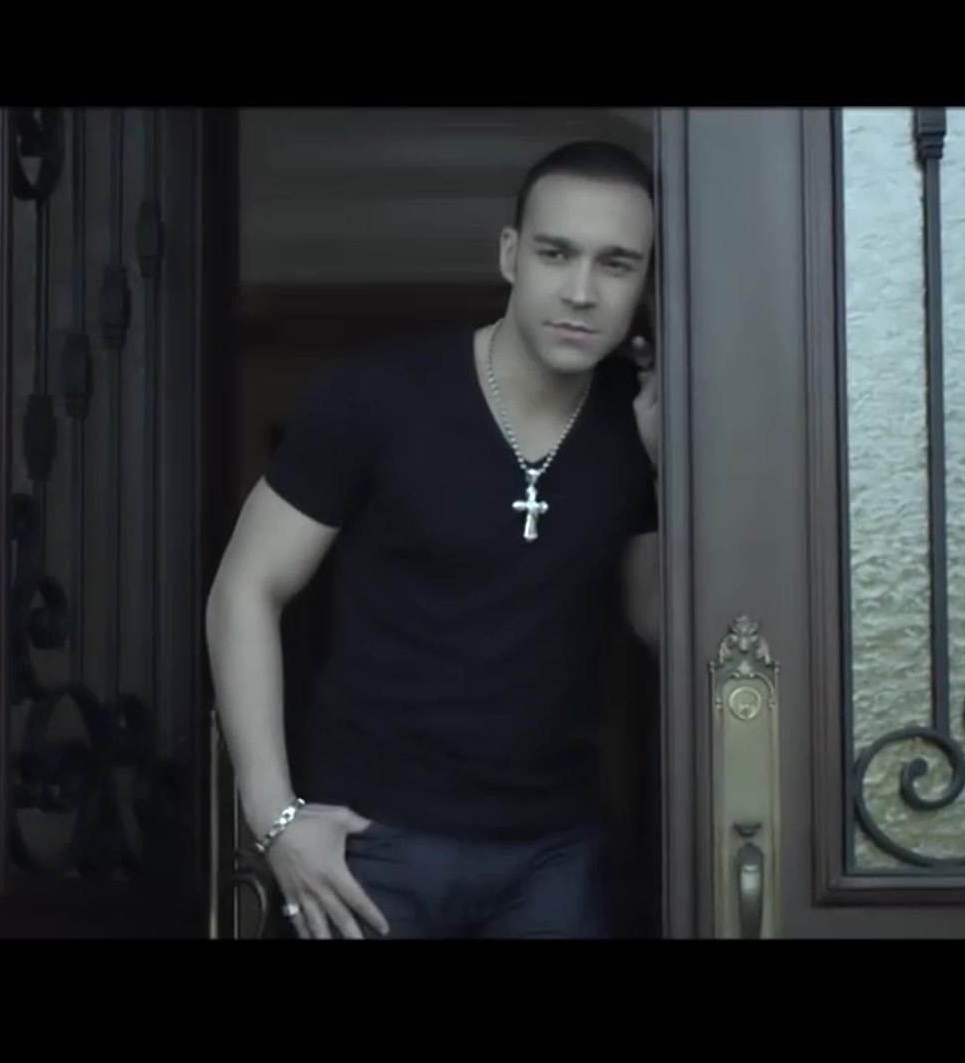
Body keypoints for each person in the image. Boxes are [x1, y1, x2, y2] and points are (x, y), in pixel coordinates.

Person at [204, 139, 662, 940]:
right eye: (556, 254)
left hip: (554, 856)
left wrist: (671, 470)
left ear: (647, 281)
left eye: (615, 264)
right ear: (511, 254)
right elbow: (246, 588)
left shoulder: (641, 423)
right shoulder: (377, 396)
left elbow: (662, 623)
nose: (582, 291)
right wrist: (274, 817)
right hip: (369, 846)